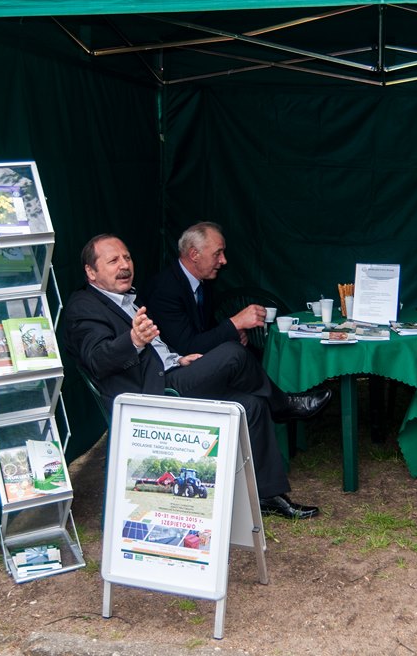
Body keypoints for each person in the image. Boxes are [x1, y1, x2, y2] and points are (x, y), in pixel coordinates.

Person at [64, 234, 331, 519]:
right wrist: (133, 340)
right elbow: (97, 359)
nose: (124, 265)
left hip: (173, 371)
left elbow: (155, 350)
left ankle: (268, 496)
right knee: (234, 353)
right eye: (113, 261)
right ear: (91, 272)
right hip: (153, 393)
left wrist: (178, 358)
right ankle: (284, 405)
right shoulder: (84, 306)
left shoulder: (126, 298)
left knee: (251, 405)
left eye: (127, 257)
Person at [144, 221, 263, 355]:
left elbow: (207, 330)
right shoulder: (165, 290)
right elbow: (187, 348)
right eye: (217, 253)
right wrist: (235, 323)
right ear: (194, 254)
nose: (223, 260)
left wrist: (234, 332)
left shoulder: (203, 282)